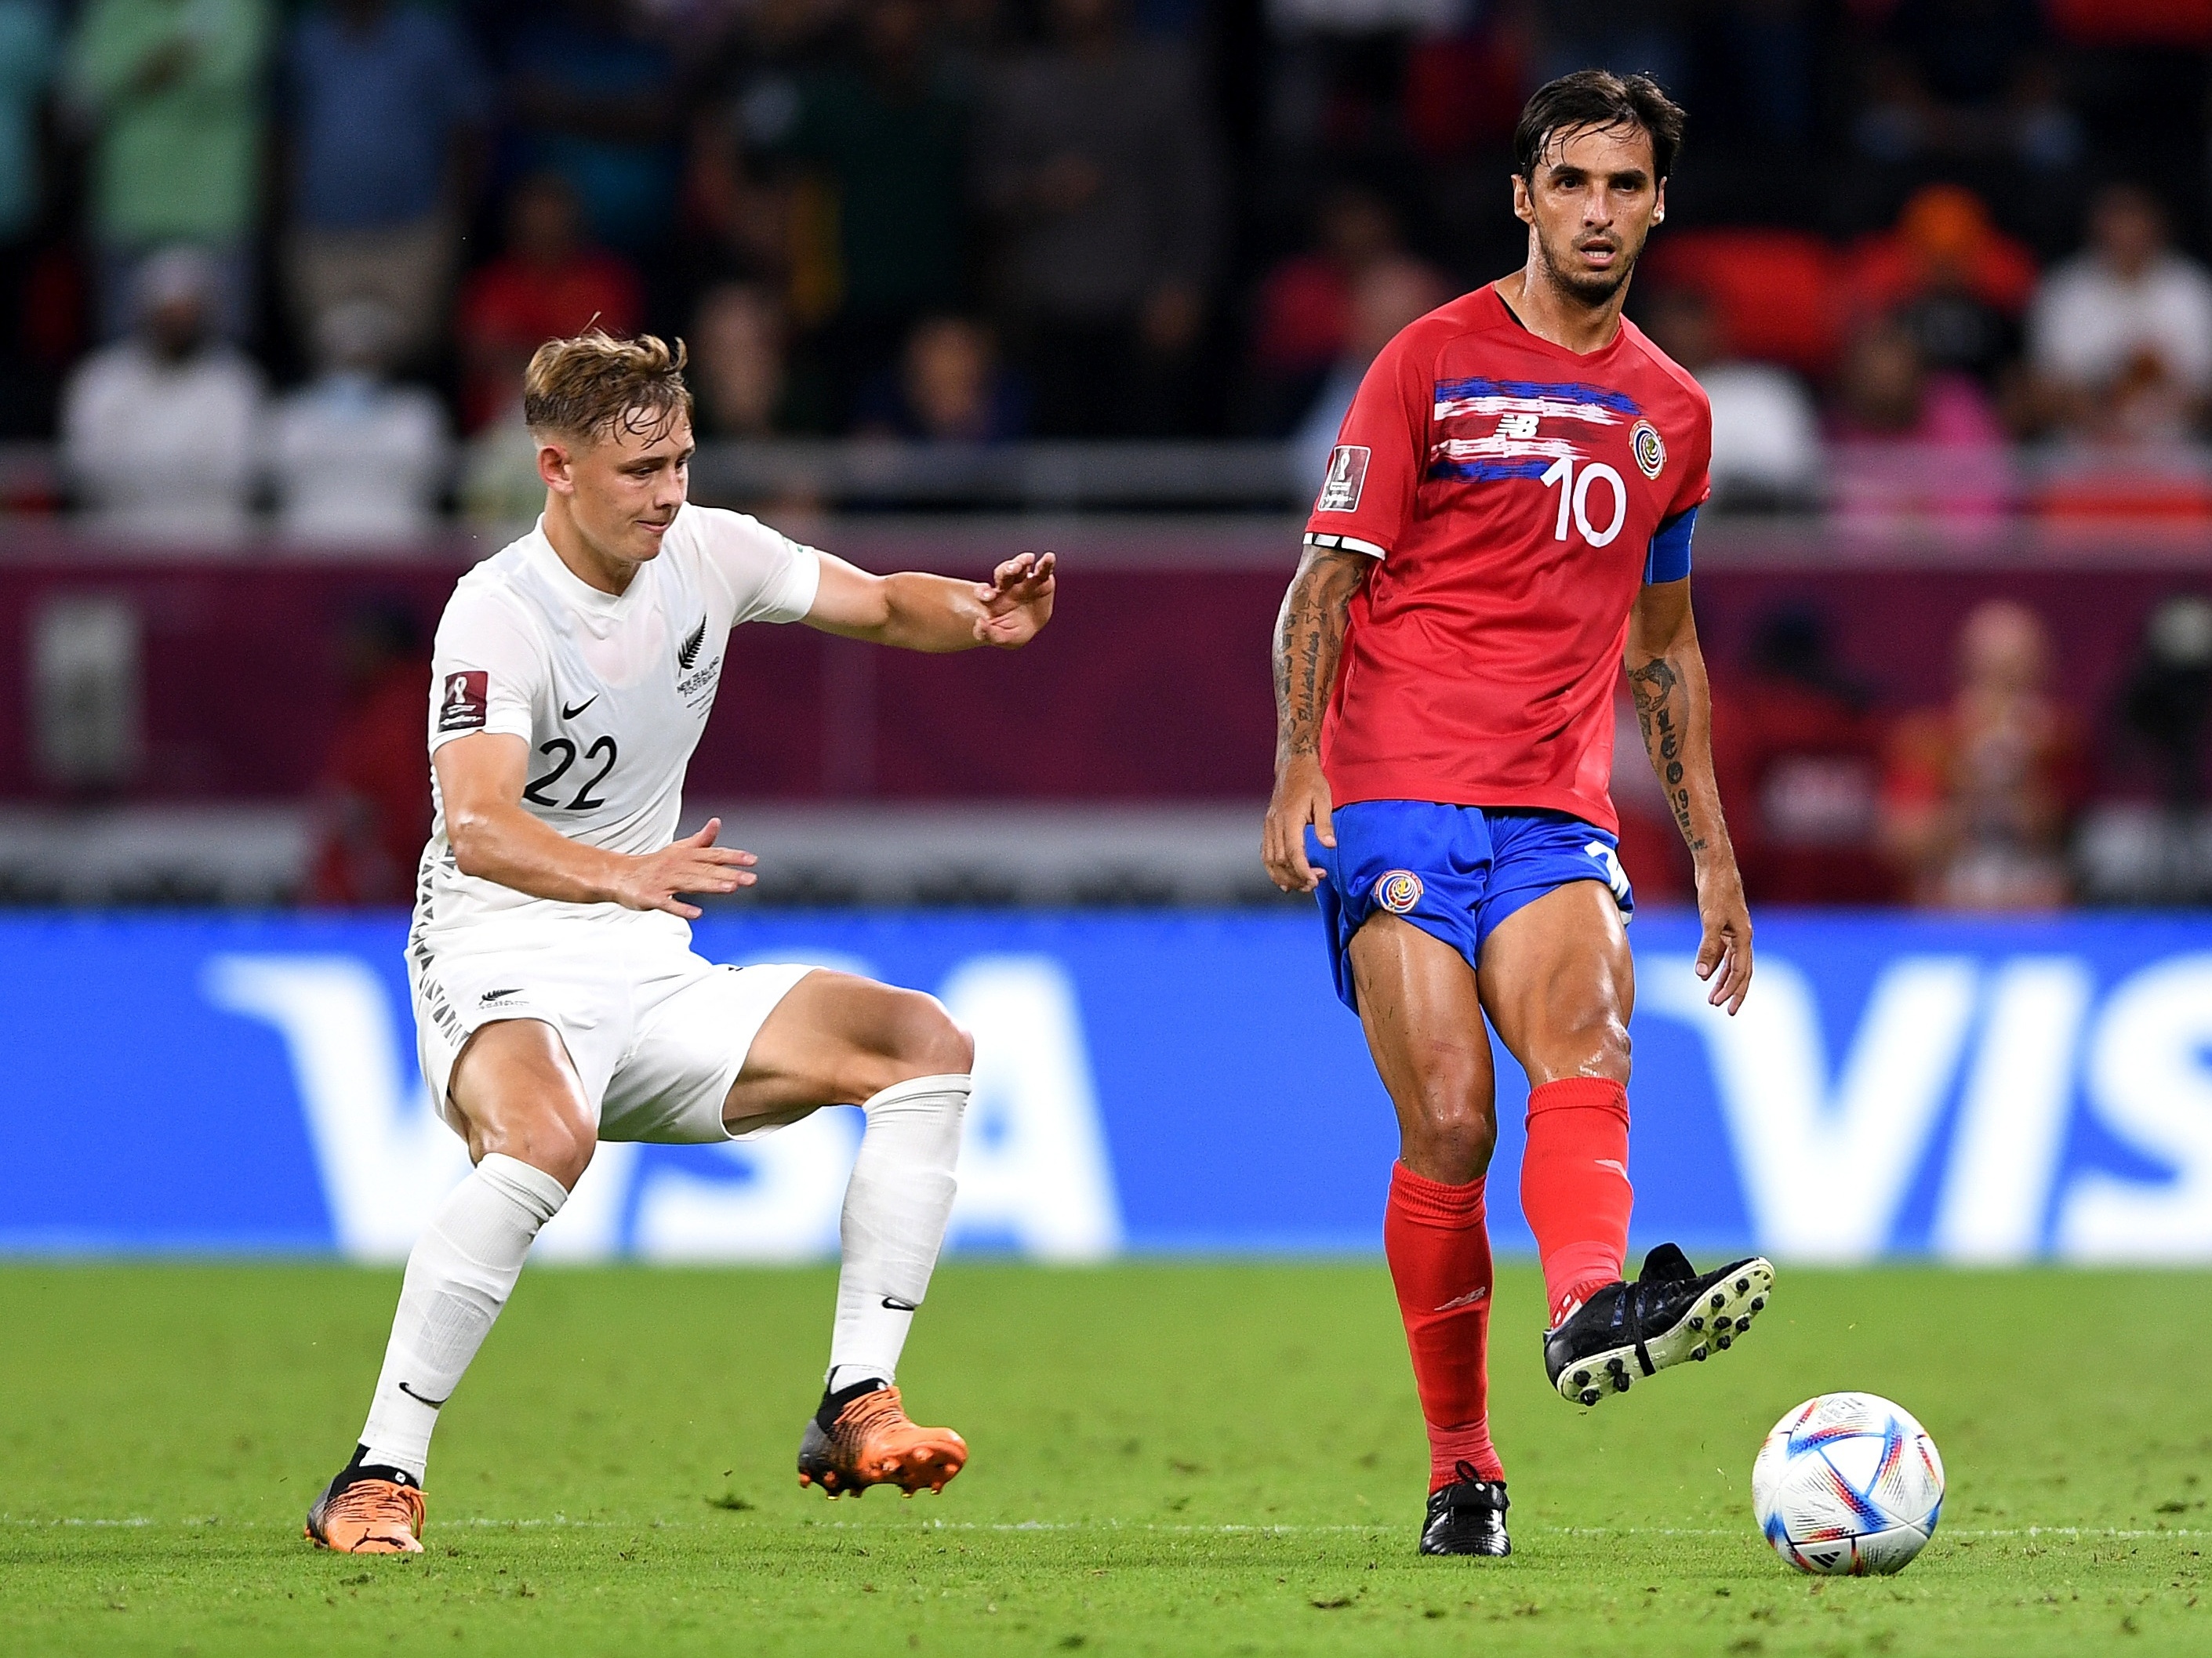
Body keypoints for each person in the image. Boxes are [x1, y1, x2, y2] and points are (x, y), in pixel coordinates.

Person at [302, 329, 1055, 1554]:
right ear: (556, 466)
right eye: (638, 470)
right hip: (499, 949)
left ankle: (855, 1396)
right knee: (548, 1139)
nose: (668, 492)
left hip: (645, 957)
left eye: (681, 460)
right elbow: (480, 827)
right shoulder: (495, 613)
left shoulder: (709, 549)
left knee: (922, 1042)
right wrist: (622, 871)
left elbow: (872, 601)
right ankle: (378, 1470)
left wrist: (977, 613)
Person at [1260, 71, 1770, 1561]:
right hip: (1397, 791)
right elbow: (1326, 583)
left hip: (1554, 805)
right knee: (1455, 1125)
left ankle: (1589, 1307)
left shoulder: (1673, 413)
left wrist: (1718, 858)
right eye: (1573, 184)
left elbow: (1665, 646)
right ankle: (1463, 1468)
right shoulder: (1424, 361)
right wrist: (1301, 766)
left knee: (1589, 1040)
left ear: (1658, 206)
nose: (1598, 212)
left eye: (1626, 186)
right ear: (1525, 198)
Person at [280, 0, 488, 368]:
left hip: (411, 230)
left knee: (411, 358)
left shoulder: (428, 38)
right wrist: (285, 211)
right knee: (328, 356)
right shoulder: (307, 40)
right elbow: (284, 130)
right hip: (323, 231)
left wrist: (453, 215)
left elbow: (467, 126)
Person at [64, 0, 271, 342]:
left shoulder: (238, 6)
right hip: (129, 206)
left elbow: (230, 74)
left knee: (224, 353)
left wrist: (141, 74)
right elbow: (93, 83)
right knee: (122, 350)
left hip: (215, 207)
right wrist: (186, 53)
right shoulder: (111, 8)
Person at [1881, 598, 2084, 909]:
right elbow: (1903, 843)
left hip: (2037, 917)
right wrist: (1972, 781)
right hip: (1945, 914)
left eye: (2016, 676)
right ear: (1965, 670)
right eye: (1990, 672)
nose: (2002, 690)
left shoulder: (2061, 741)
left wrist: (2018, 774)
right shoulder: (1929, 738)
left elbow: (2074, 843)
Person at [60, 243, 263, 540]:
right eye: (168, 313)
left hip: (212, 540)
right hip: (118, 535)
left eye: (187, 313)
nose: (177, 324)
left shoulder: (236, 382)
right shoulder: (101, 378)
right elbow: (87, 465)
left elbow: (239, 471)